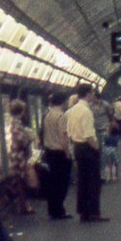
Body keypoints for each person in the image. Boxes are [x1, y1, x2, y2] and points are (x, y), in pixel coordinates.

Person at [65, 83, 107, 222]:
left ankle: (83, 212)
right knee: (93, 182)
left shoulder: (72, 110)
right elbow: (89, 135)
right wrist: (97, 148)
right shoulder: (86, 111)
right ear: (88, 94)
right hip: (88, 148)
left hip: (77, 147)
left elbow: (68, 131)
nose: (94, 95)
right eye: (93, 92)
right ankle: (94, 213)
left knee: (82, 181)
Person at [40, 91, 73, 220]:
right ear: (63, 101)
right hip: (60, 152)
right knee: (62, 183)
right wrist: (68, 153)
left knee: (53, 182)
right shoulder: (61, 116)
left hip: (49, 152)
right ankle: (59, 210)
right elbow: (63, 137)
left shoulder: (47, 115)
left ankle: (53, 209)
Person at [6, 99, 37, 215]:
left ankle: (23, 204)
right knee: (21, 181)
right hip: (19, 156)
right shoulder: (17, 124)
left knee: (19, 180)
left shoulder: (12, 123)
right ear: (22, 111)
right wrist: (29, 138)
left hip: (15, 155)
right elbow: (22, 141)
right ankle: (23, 206)